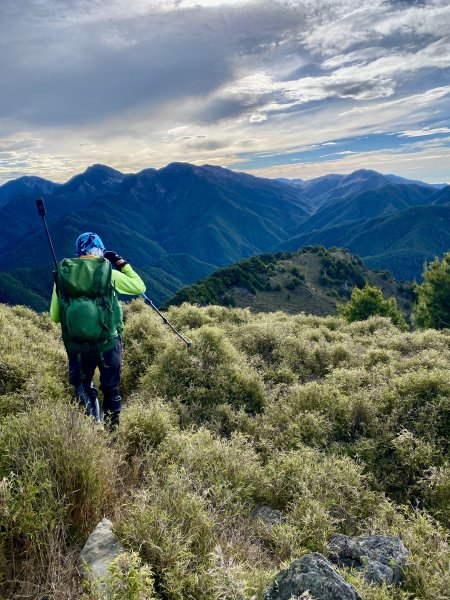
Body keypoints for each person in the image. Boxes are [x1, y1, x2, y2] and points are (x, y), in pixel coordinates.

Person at [50, 232, 146, 429]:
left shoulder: (63, 275)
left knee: (83, 385)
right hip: (108, 343)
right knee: (111, 388)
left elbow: (55, 316)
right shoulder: (107, 272)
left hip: (77, 346)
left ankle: (95, 423)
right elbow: (139, 287)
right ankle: (112, 435)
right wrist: (121, 263)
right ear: (99, 250)